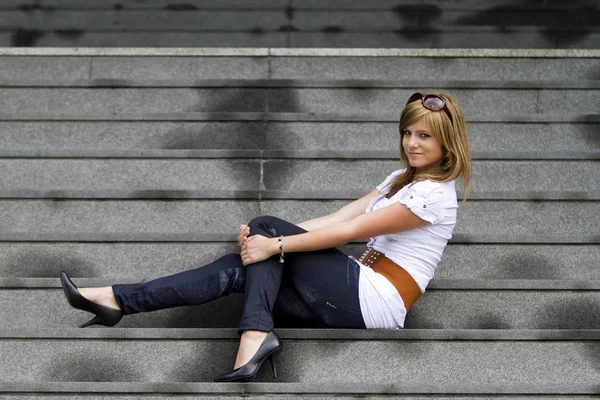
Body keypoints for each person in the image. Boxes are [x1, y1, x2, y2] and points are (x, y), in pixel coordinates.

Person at [59, 91, 471, 382]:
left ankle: (255, 334)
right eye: (408, 133)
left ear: (446, 141)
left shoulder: (435, 195)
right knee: (243, 265)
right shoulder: (401, 180)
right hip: (353, 290)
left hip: (376, 299)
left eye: (424, 136)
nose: (412, 143)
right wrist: (263, 242)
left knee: (267, 232)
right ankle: (118, 299)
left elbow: (350, 231)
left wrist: (273, 240)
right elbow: (337, 215)